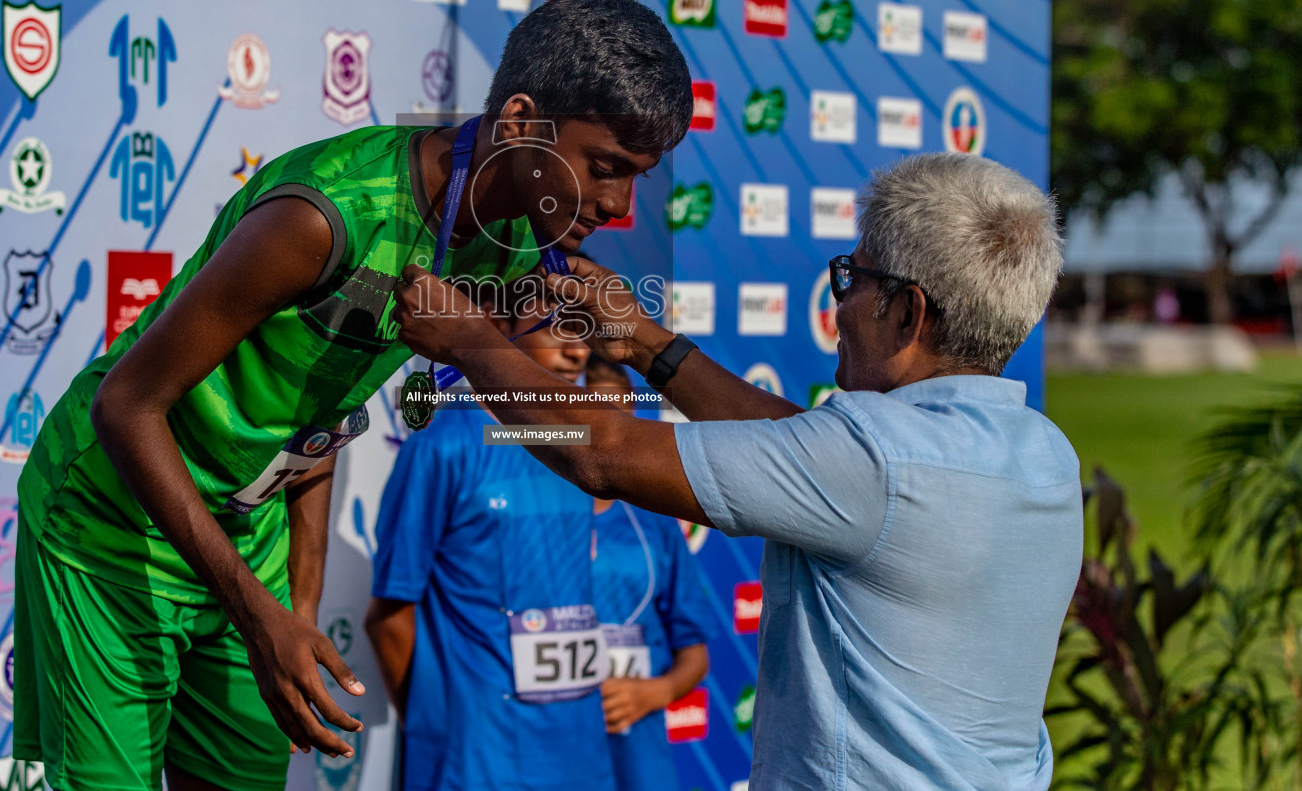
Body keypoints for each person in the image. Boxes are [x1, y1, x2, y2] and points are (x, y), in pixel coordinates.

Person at [12, 0, 693, 791]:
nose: (618, 206)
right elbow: (126, 405)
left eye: (637, 177)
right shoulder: (325, 215)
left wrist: (296, 605)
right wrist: (260, 615)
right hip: (112, 521)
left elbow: (321, 405)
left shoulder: (516, 248)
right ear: (517, 122)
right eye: (604, 168)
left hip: (242, 532)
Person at [391, 152, 1080, 791]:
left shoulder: (873, 461)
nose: (837, 306)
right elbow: (801, 446)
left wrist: (470, 341)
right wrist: (645, 342)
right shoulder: (1043, 454)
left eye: (851, 278)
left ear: (906, 310)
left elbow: (600, 452)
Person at [366, 285, 613, 791]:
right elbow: (389, 617)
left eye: (582, 329)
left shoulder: (580, 445)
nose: (577, 349)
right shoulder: (443, 445)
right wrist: (442, 727)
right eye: (555, 327)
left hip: (580, 751)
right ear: (496, 331)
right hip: (475, 759)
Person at [584, 357, 716, 791]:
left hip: (638, 761)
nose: (609, 434)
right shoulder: (529, 512)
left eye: (622, 419)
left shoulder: (656, 522)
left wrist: (651, 694)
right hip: (548, 749)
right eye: (594, 415)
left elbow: (694, 656)